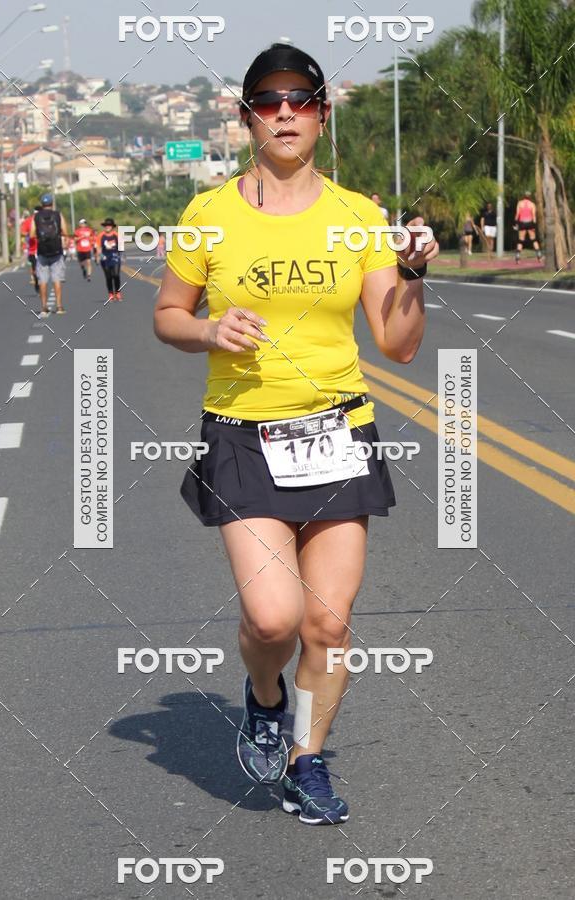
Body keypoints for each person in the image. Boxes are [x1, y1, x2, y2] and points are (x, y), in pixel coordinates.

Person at [154, 42, 438, 826]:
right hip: (244, 434)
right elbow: (167, 316)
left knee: (328, 620)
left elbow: (400, 343)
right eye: (270, 100)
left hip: (338, 431)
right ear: (247, 115)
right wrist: (210, 332)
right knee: (274, 618)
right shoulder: (208, 215)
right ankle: (265, 696)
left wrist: (412, 274)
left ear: (322, 114)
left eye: (302, 99)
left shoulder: (358, 217)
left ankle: (308, 760)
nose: (286, 112)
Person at [29, 193, 68, 316]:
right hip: (56, 252)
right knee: (57, 280)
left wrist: (40, 238)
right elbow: (65, 232)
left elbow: (31, 234)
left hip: (42, 253)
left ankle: (44, 307)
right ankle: (59, 306)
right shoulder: (58, 215)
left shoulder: (36, 217)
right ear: (52, 204)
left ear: (42, 204)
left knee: (43, 281)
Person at [514, 190, 543, 263]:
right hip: (530, 222)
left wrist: (515, 223)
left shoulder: (520, 203)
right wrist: (534, 225)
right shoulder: (532, 204)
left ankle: (517, 257)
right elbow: (534, 216)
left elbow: (517, 214)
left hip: (522, 223)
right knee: (533, 239)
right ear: (530, 197)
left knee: (520, 240)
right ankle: (539, 256)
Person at [97, 217, 122, 301]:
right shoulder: (101, 235)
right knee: (108, 277)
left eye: (109, 225)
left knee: (116, 275)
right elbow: (99, 247)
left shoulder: (116, 235)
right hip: (105, 258)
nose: (107, 227)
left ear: (112, 226)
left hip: (115, 258)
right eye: (106, 225)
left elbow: (121, 246)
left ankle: (117, 292)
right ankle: (110, 293)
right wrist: (99, 256)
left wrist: (121, 254)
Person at [21, 205, 41, 293]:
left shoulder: (46, 219)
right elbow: (22, 232)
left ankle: (41, 282)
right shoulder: (28, 221)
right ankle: (36, 282)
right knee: (35, 269)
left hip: (44, 249)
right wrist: (29, 234)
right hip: (33, 249)